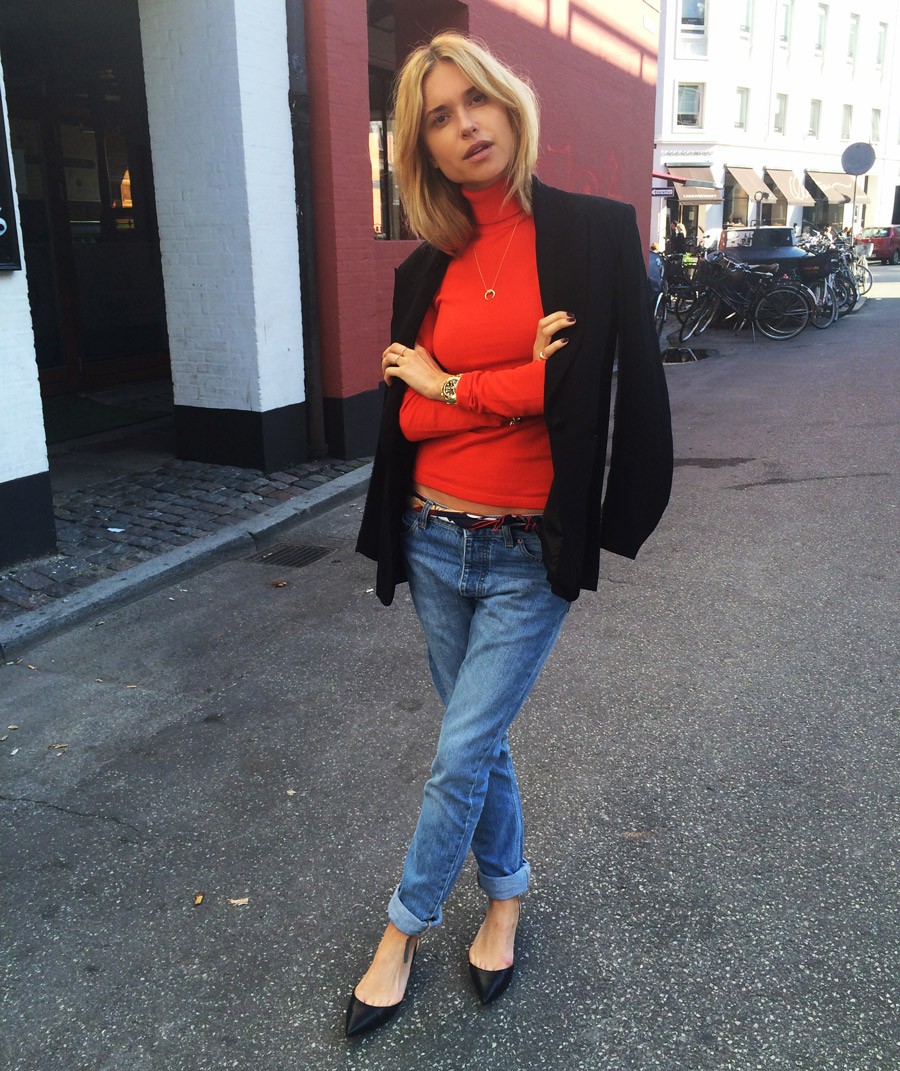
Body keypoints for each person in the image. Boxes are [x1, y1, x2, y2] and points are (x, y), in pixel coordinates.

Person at [350, 32, 673, 1038]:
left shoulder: (592, 235)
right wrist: (508, 385)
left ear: (510, 104)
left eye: (475, 101)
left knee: (459, 752)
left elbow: (580, 389)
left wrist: (453, 384)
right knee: (476, 741)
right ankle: (505, 896)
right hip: (432, 536)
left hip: (529, 548)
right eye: (438, 119)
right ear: (424, 150)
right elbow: (406, 417)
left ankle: (401, 930)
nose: (465, 127)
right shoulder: (425, 268)